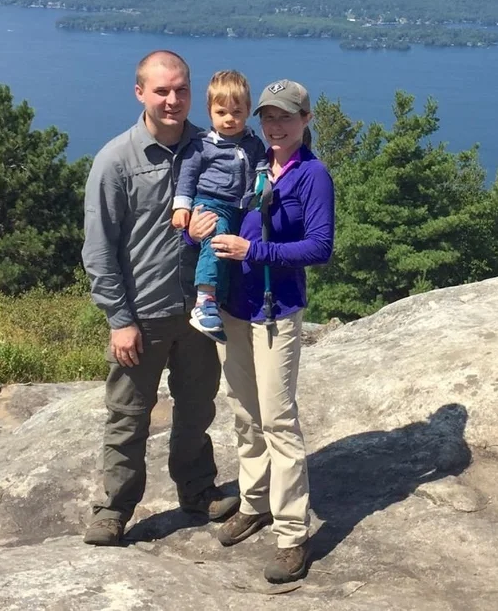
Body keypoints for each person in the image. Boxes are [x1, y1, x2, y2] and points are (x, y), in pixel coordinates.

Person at [80, 50, 240, 547]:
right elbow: (98, 249)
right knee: (128, 415)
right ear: (140, 93)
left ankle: (197, 490)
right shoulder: (116, 161)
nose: (173, 100)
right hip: (142, 314)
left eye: (181, 90)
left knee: (196, 409)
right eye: (161, 90)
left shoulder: (213, 147)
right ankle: (114, 509)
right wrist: (118, 318)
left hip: (197, 311)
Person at [187, 79, 335, 583]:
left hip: (276, 311)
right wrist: (196, 229)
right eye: (268, 116)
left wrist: (255, 251)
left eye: (285, 117)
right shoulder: (250, 160)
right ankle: (254, 503)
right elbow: (214, 211)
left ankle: (292, 534)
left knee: (277, 420)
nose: (275, 125)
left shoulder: (311, 175)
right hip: (233, 305)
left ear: (305, 119)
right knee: (245, 414)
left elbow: (319, 247)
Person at [172, 70, 267, 342]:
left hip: (240, 208)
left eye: (237, 112)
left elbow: (261, 166)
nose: (229, 119)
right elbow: (187, 177)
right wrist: (181, 207)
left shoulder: (253, 143)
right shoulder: (202, 145)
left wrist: (264, 181)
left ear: (248, 110)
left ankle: (218, 301)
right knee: (216, 244)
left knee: (228, 257)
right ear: (210, 112)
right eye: (221, 112)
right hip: (211, 203)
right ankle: (204, 301)